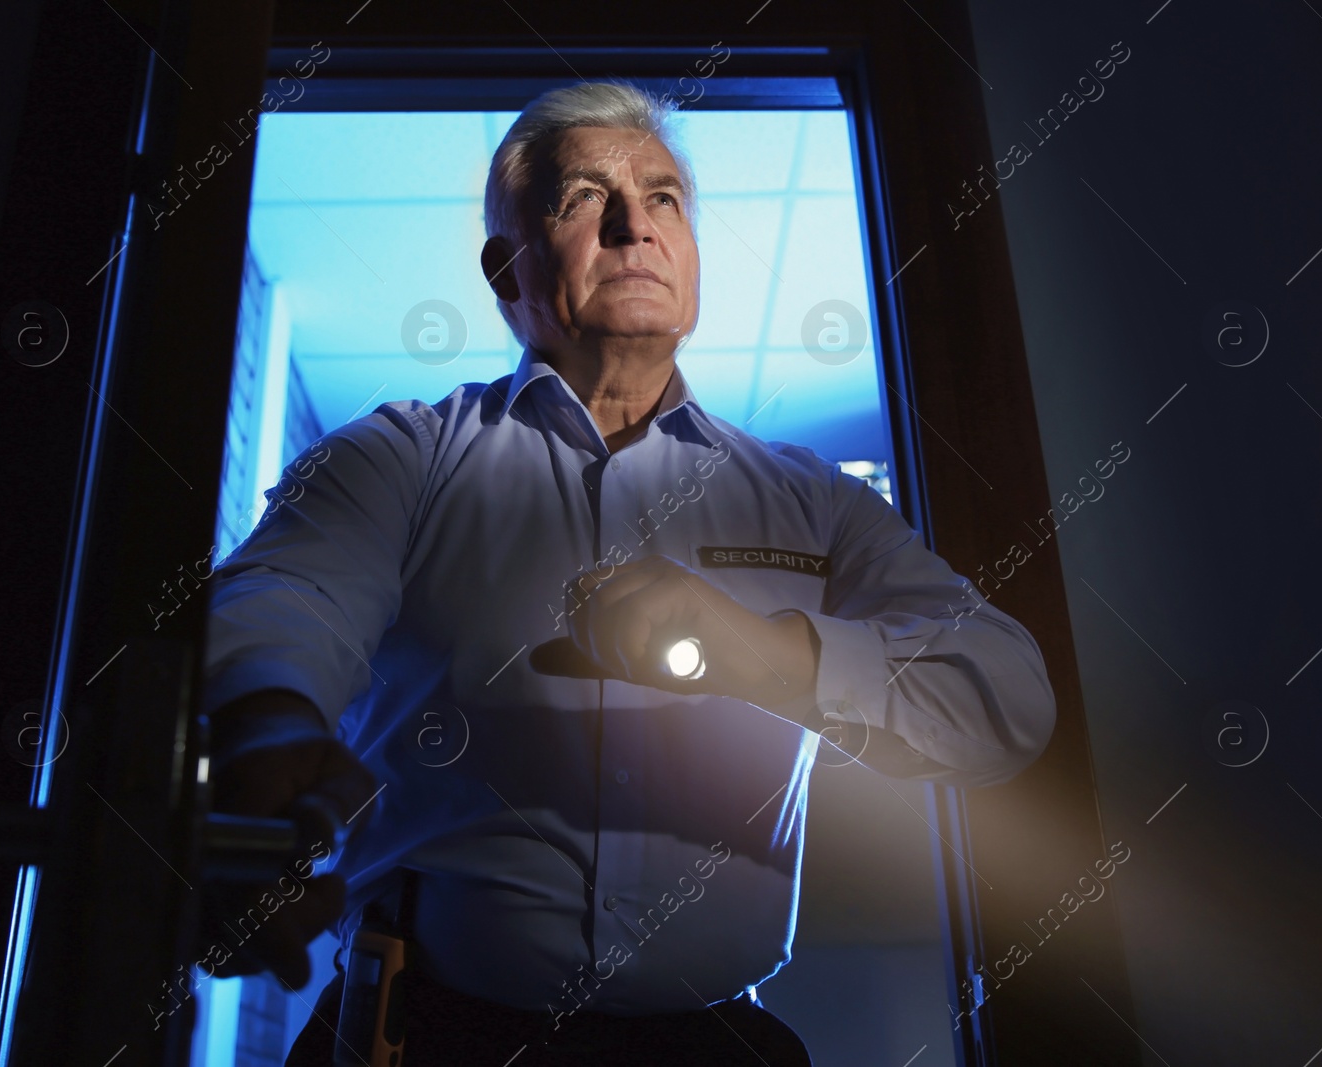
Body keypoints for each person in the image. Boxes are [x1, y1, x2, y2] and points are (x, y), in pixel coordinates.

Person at [200, 79, 1057, 1066]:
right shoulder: (403, 455)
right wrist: (265, 722)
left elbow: (1008, 700)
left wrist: (761, 654)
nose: (631, 227)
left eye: (664, 200)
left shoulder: (814, 501)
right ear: (505, 268)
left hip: (716, 1044)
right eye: (579, 199)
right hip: (425, 1037)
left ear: (692, 256)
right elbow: (290, 593)